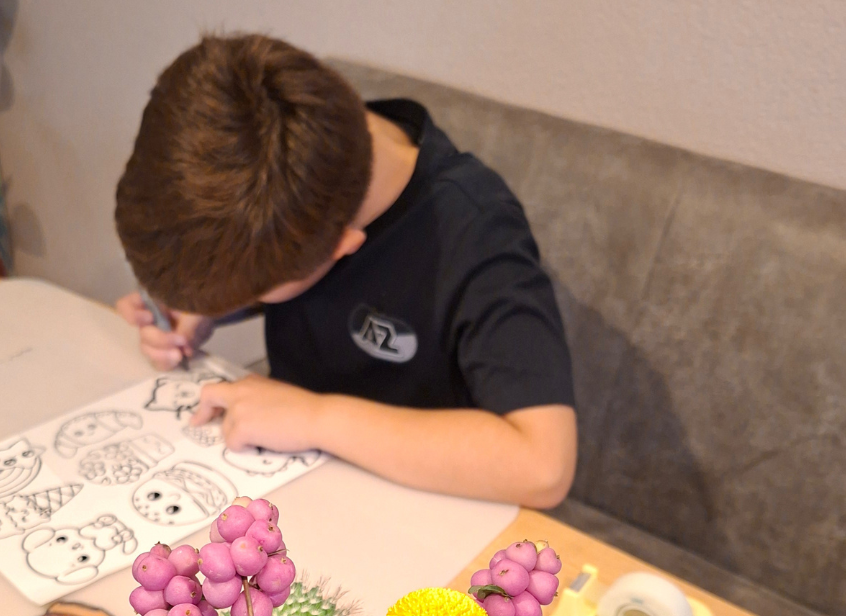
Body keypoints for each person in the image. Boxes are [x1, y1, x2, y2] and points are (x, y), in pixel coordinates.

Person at [115, 33, 576, 508]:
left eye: (257, 289)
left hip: (423, 504)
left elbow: (543, 467)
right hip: (292, 477)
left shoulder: (474, 231)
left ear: (342, 247)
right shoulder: (293, 138)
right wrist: (206, 306)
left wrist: (316, 419)